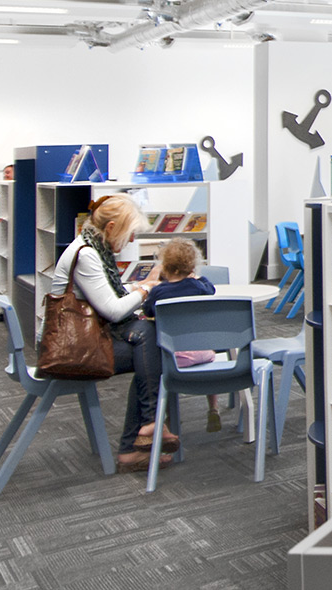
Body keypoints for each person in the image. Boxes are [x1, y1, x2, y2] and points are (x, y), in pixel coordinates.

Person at [44, 194, 169, 470]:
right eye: (129, 233)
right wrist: (146, 289)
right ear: (111, 228)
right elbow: (113, 310)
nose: (132, 240)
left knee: (147, 345)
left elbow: (111, 296)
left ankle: (144, 432)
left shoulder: (92, 247)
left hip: (86, 339)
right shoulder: (87, 255)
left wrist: (141, 286)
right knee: (152, 350)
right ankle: (144, 430)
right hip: (73, 351)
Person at [144, 238, 225, 432]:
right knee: (207, 362)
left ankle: (171, 417)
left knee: (158, 365)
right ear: (191, 267)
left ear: (165, 266)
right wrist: (198, 277)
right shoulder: (198, 287)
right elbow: (211, 289)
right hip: (204, 353)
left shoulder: (159, 292)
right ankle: (213, 408)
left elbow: (147, 310)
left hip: (173, 358)